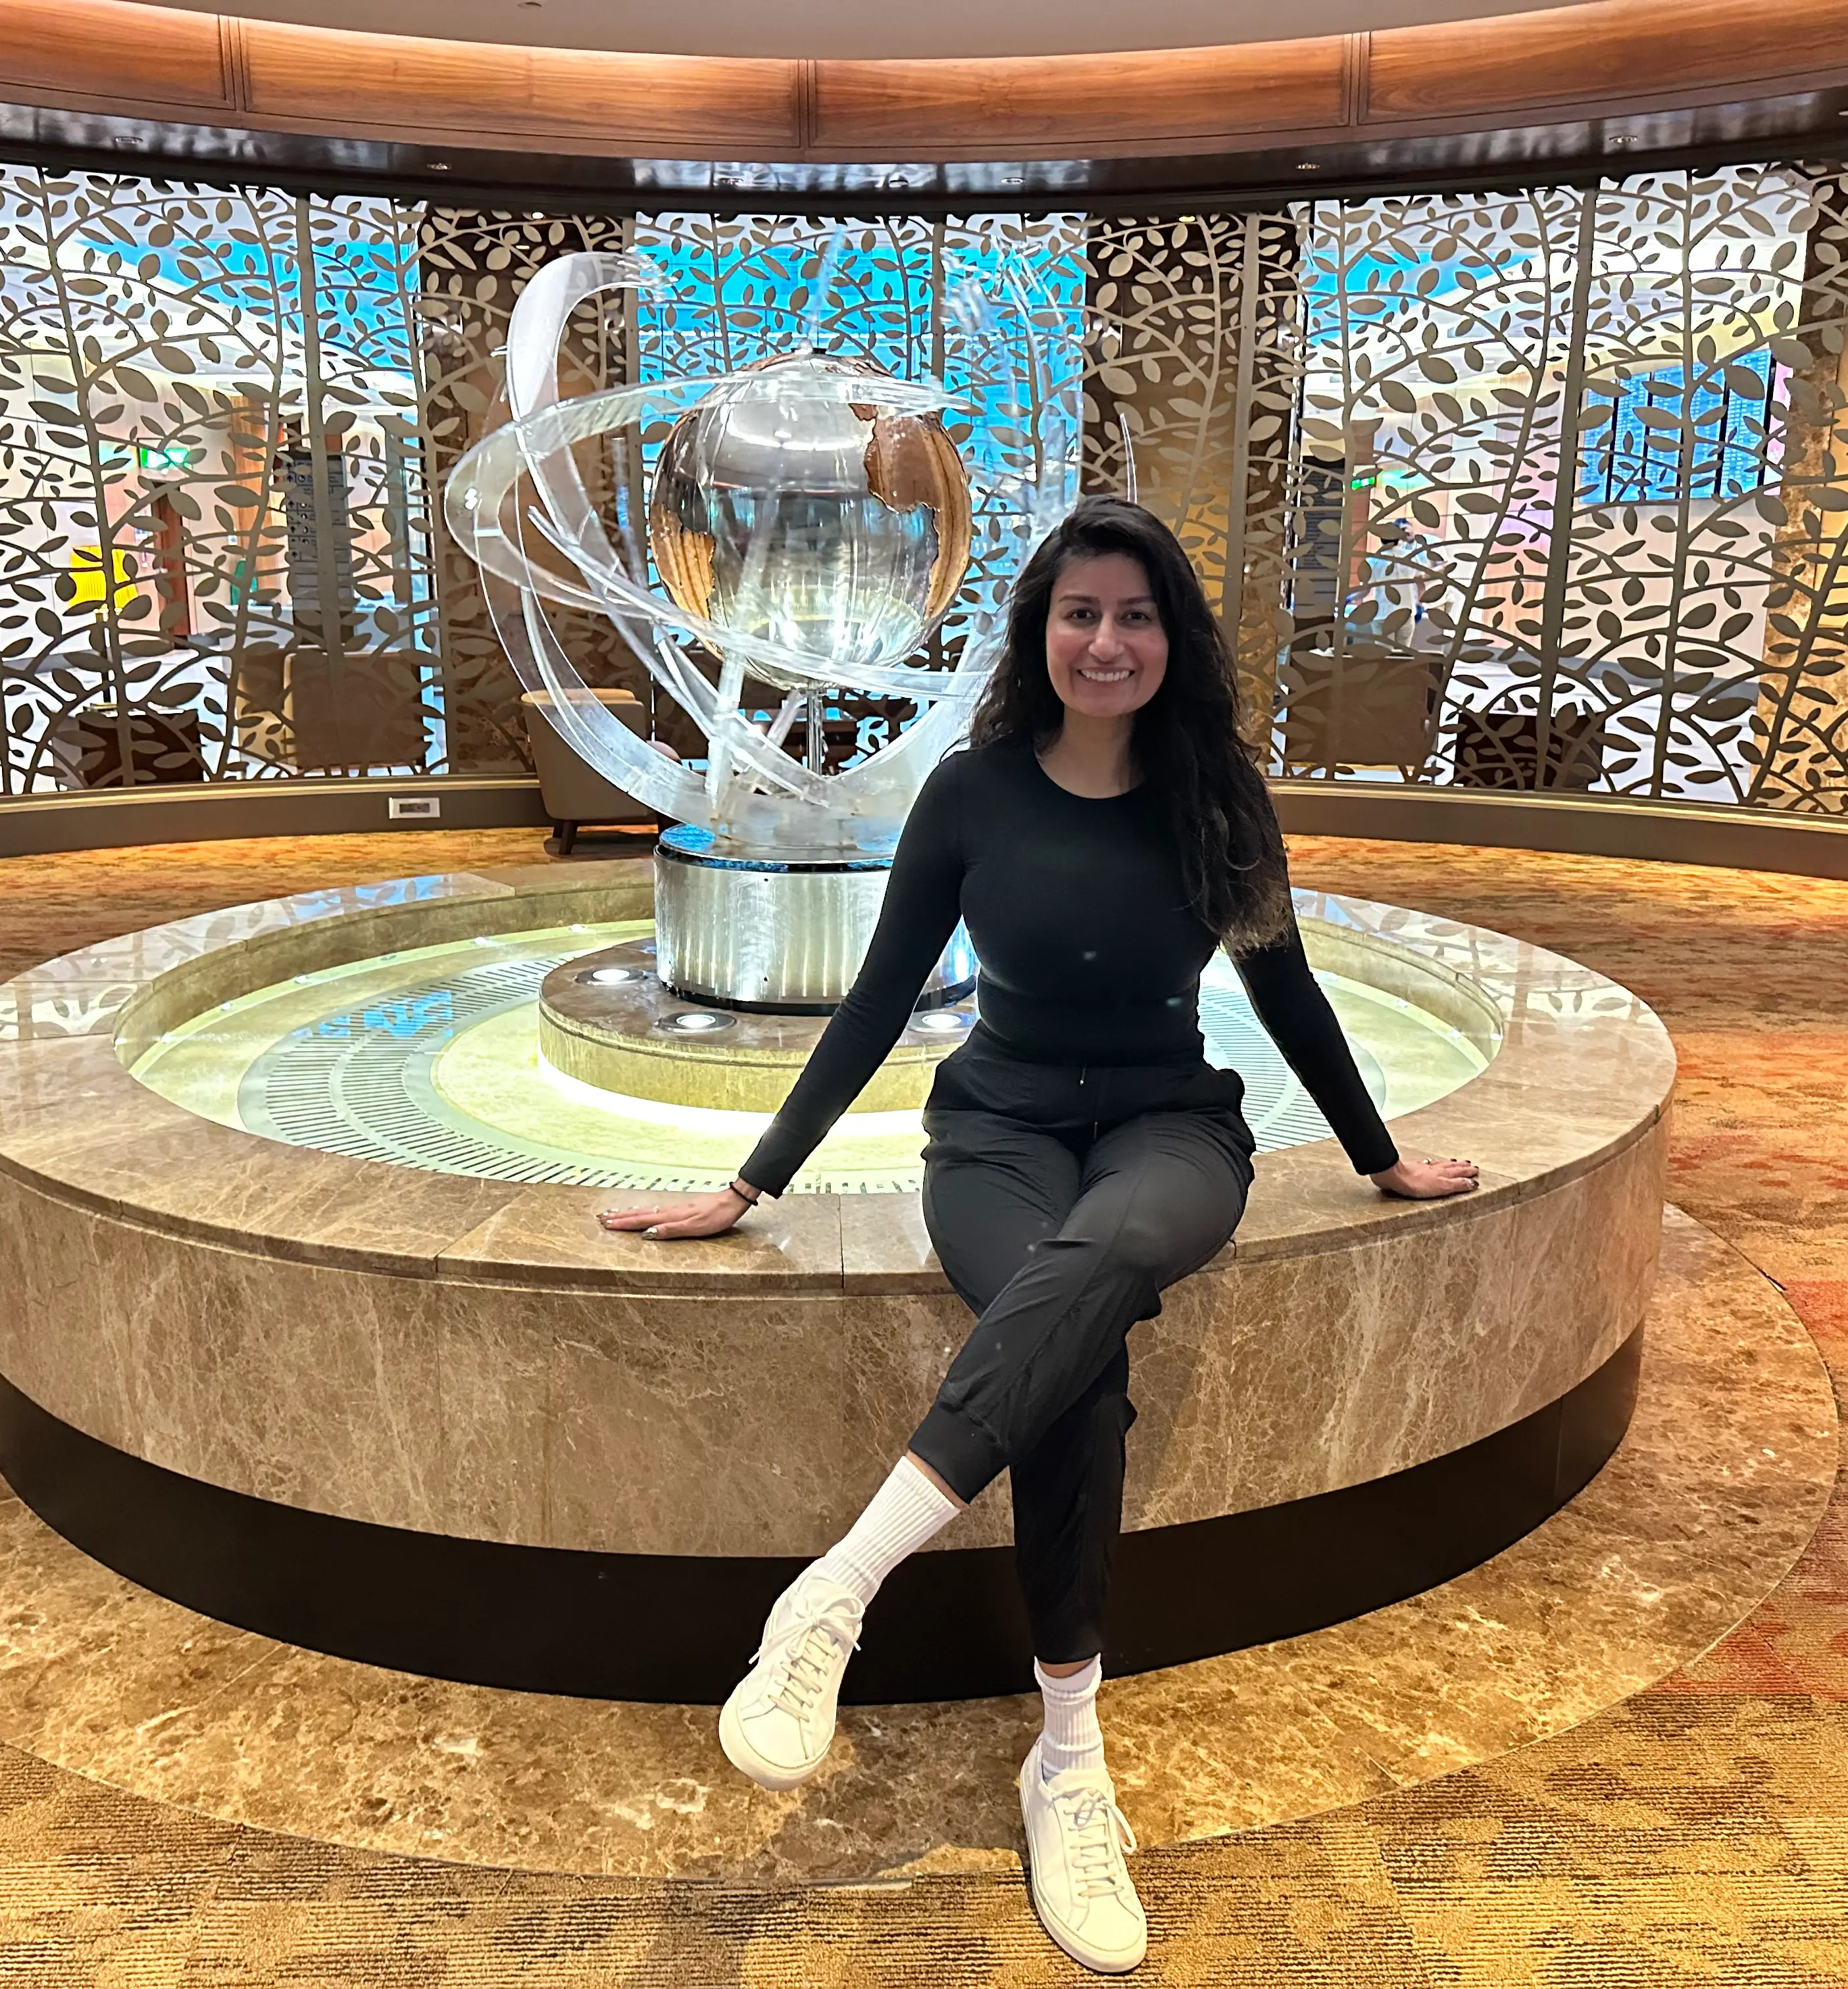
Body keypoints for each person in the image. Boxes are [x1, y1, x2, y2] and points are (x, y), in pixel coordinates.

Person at [599, 496, 1478, 1975]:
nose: (1108, 640)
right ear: (1039, 632)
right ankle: (1068, 1752)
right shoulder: (971, 792)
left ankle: (839, 1590)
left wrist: (1378, 1155)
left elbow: (1288, 993)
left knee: (1106, 1262)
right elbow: (876, 1004)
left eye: (1136, 615)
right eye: (1081, 613)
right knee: (1072, 1367)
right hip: (995, 1132)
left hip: (1168, 1129)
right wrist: (748, 1186)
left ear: (1171, 638)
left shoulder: (1216, 796)